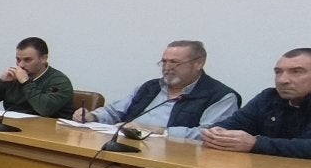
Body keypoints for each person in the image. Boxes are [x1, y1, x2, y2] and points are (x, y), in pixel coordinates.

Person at [71, 40, 238, 140]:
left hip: (176, 160)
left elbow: (210, 135)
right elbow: (116, 111)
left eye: (174, 62)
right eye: (164, 62)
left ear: (199, 63)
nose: (167, 68)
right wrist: (93, 115)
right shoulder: (151, 87)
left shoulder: (221, 96)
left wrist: (161, 131)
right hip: (128, 146)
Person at [203, 48, 311, 158]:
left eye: (296, 72)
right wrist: (215, 134)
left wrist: (256, 144)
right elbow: (232, 125)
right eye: (278, 72)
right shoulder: (269, 98)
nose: (282, 80)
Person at [0, 36, 74, 118]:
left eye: (27, 60)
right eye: (18, 59)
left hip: (48, 133)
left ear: (44, 58)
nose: (21, 65)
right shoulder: (13, 77)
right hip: (13, 128)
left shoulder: (59, 81)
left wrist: (26, 83)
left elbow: (45, 109)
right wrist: (0, 80)